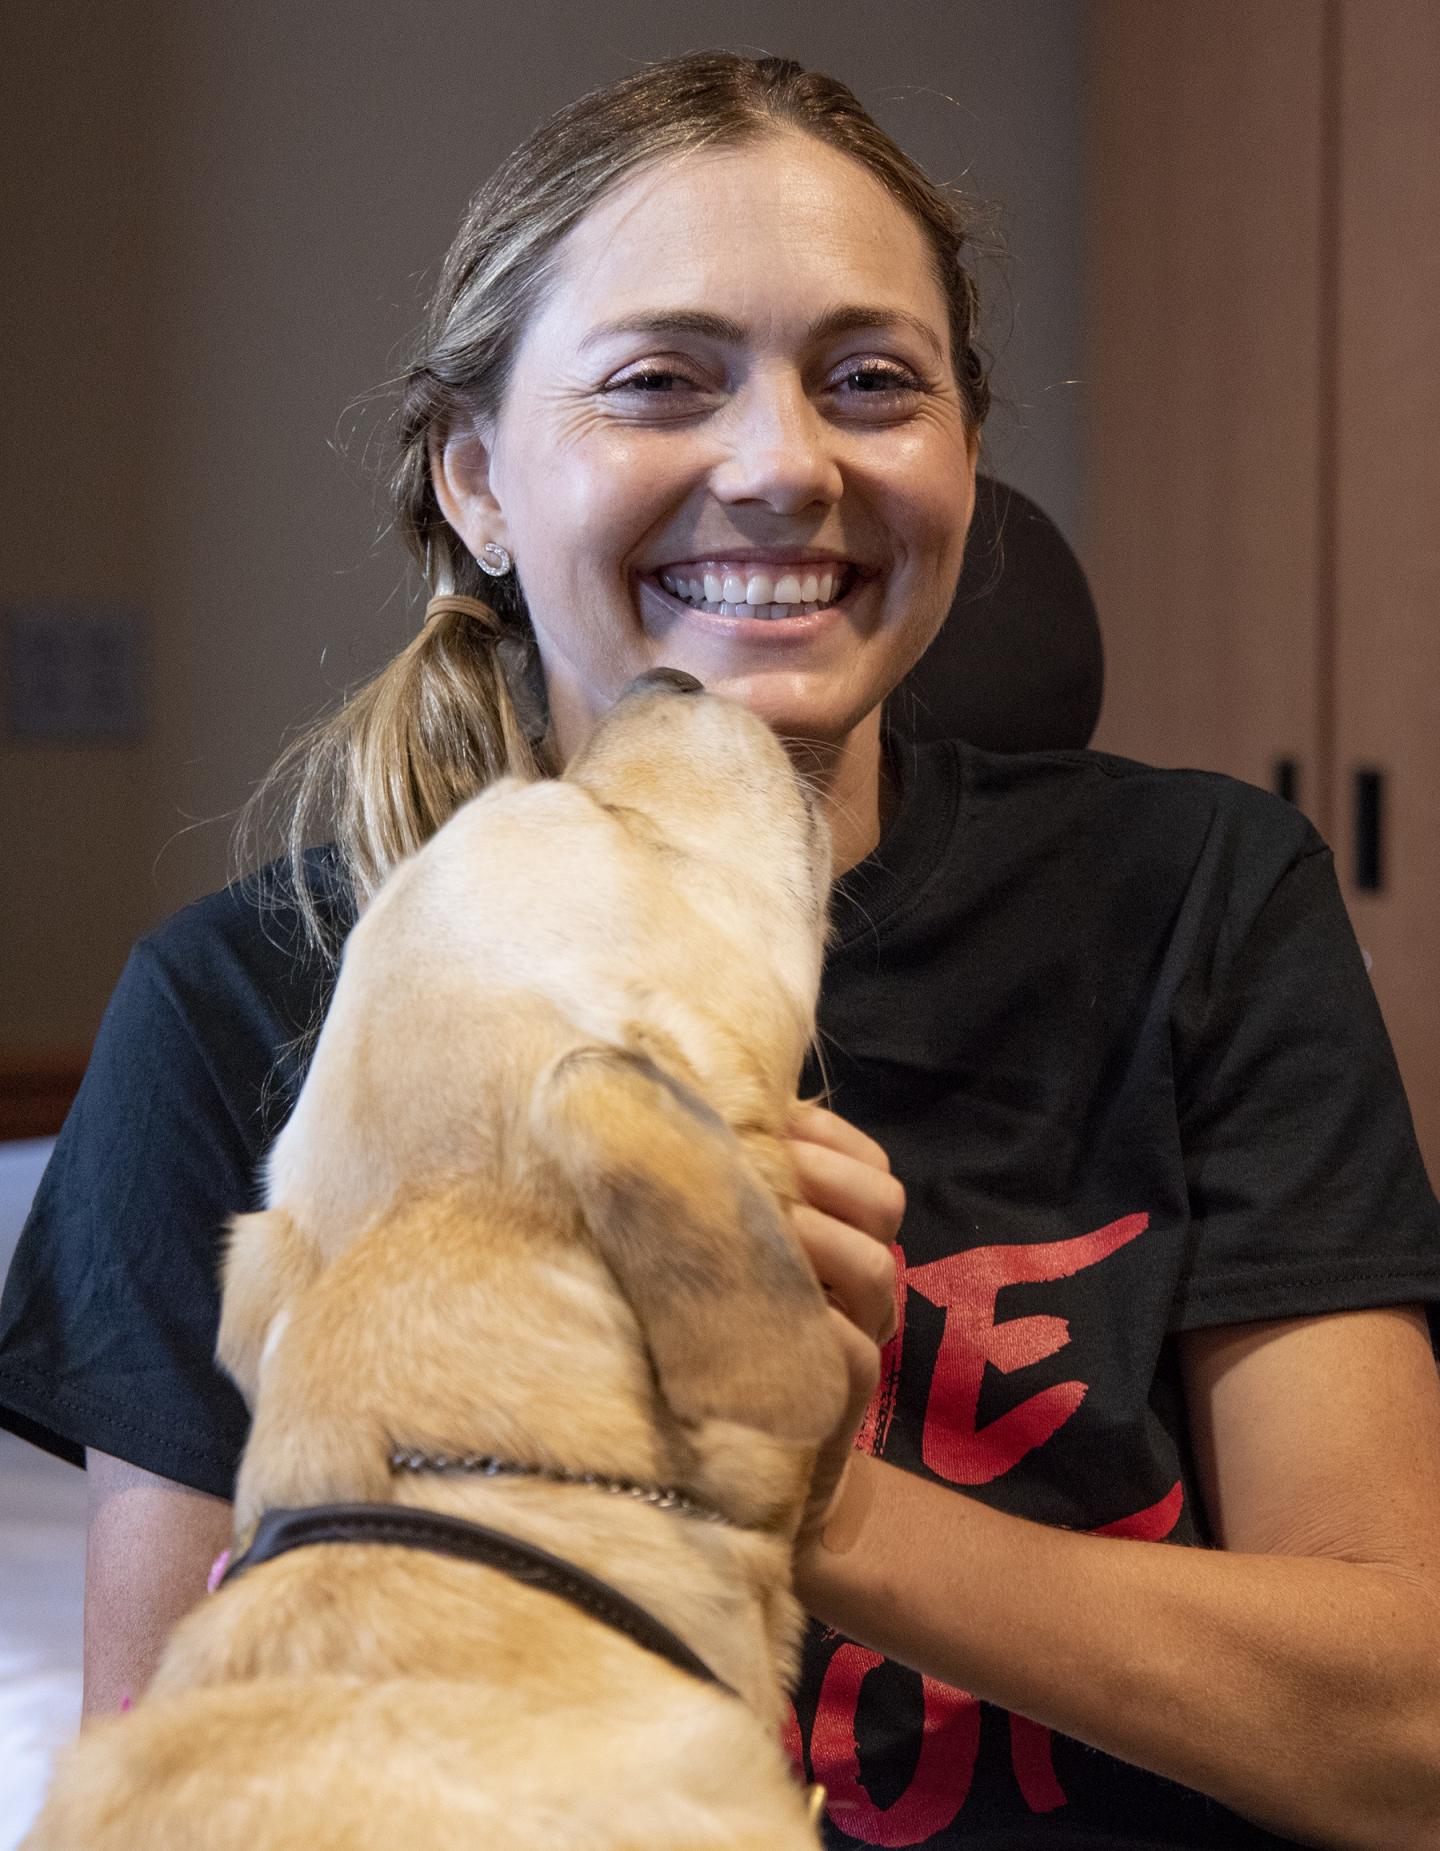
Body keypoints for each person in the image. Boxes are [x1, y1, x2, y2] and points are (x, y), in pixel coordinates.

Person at [3, 50, 1439, 1850]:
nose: (782, 465)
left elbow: (1408, 1734)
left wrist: (809, 1493)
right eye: (659, 384)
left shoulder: (1199, 901)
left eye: (870, 383)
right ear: (478, 483)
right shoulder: (255, 1015)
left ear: (967, 457)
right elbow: (204, 1772)